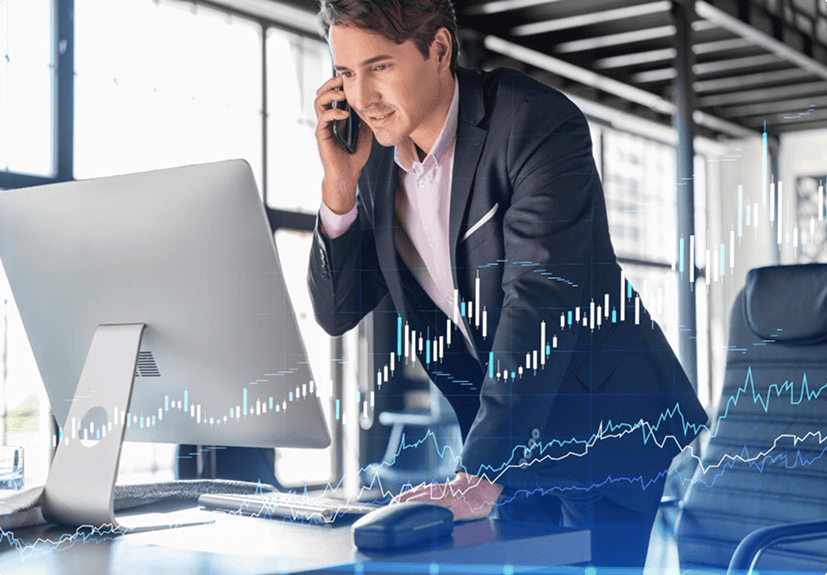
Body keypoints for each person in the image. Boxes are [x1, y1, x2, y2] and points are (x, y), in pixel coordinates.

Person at [307, 0, 708, 567]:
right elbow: (337, 311)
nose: (362, 96)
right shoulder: (369, 157)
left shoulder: (534, 123)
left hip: (609, 422)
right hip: (513, 436)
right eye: (346, 74)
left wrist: (480, 473)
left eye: (380, 67)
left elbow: (540, 300)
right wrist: (338, 187)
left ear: (440, 49)